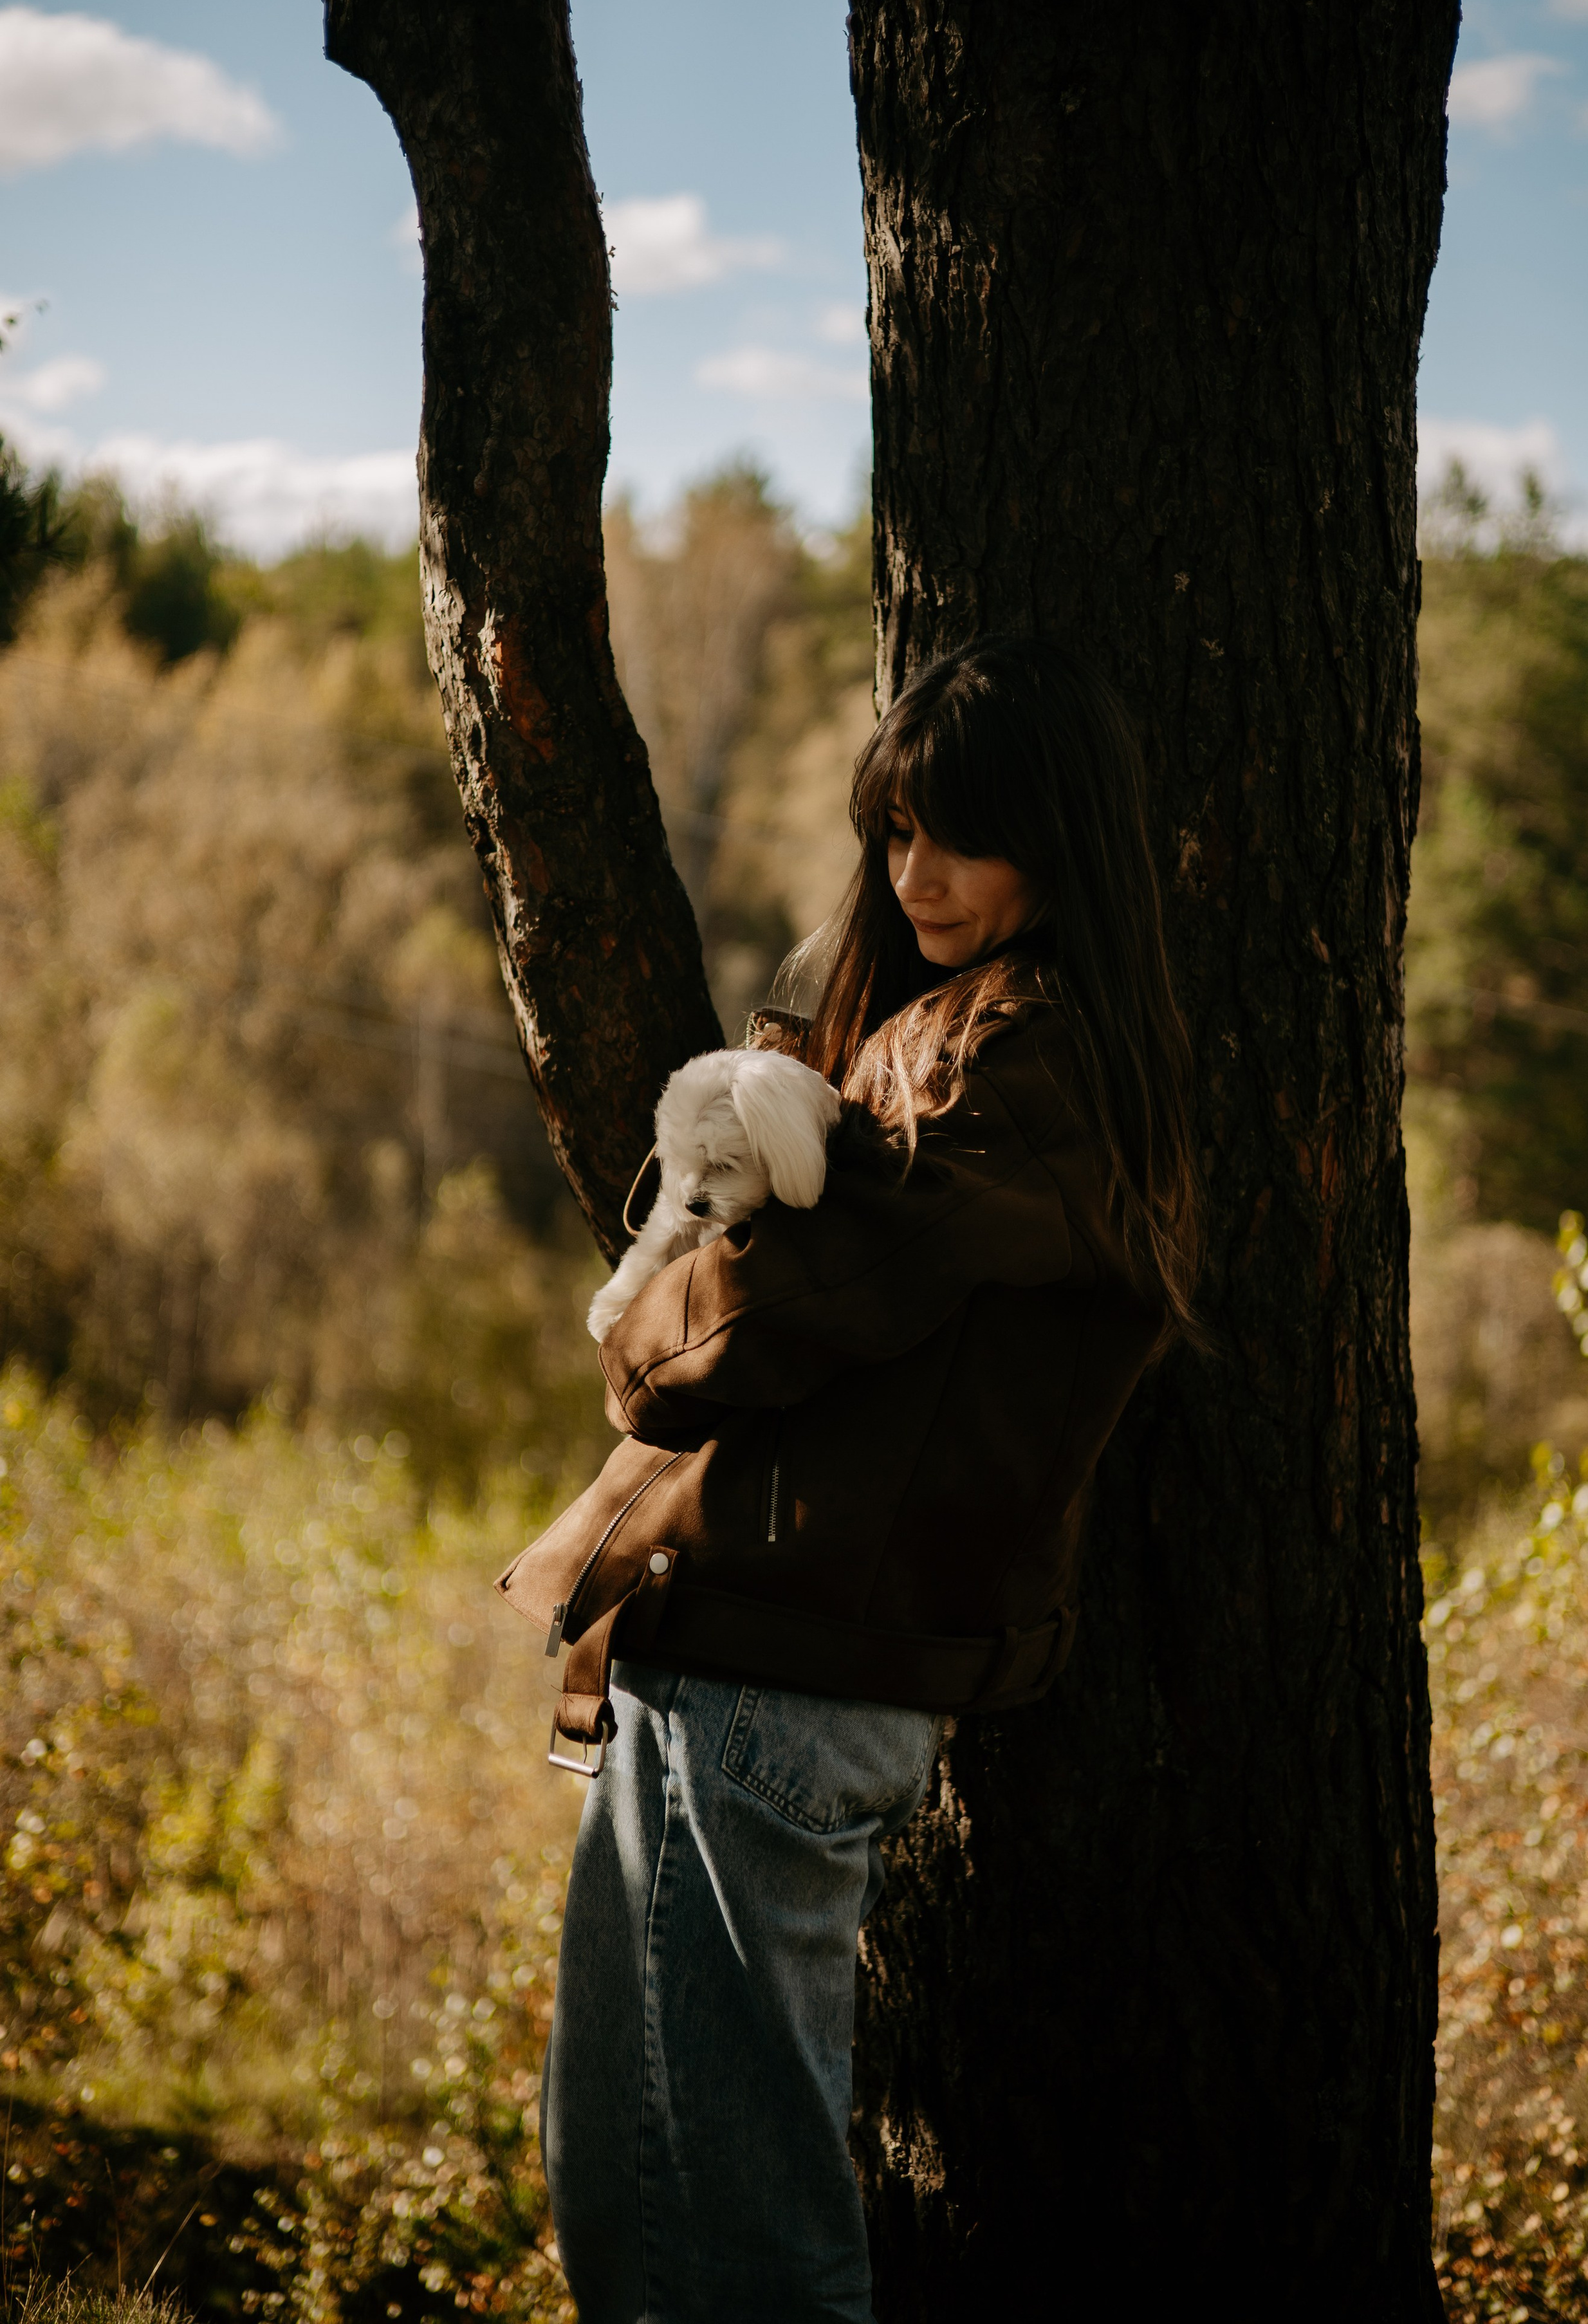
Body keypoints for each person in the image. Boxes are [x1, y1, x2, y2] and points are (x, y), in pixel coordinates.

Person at [499, 634, 1203, 2324]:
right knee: (636, 2171)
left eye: (962, 836)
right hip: (748, 1654)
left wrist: (673, 1276)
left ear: (1062, 840)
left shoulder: (997, 1063)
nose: (919, 874)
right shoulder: (959, 1032)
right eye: (894, 833)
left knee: (723, 2210)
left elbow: (697, 1355)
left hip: (787, 1682)